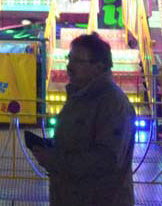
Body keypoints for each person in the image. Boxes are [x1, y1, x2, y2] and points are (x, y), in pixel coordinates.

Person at [29, 32, 134, 206]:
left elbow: (107, 159)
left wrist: (55, 160)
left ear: (99, 66)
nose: (69, 66)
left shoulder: (112, 103)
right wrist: (51, 147)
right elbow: (78, 140)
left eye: (77, 61)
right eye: (69, 59)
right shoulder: (79, 97)